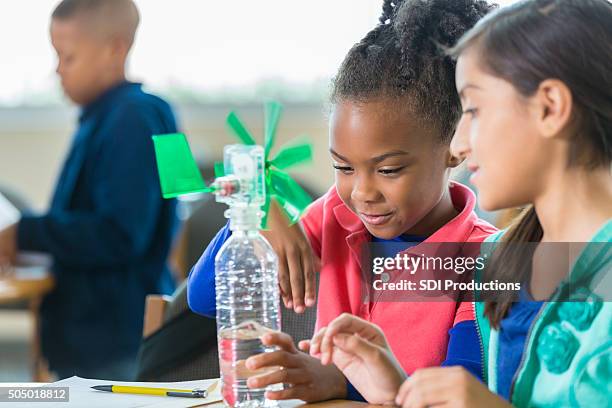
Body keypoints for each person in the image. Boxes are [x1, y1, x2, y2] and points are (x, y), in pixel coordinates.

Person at [187, 0, 497, 403]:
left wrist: (341, 382)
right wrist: (252, 223)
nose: (362, 193)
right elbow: (203, 298)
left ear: (454, 146)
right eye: (343, 167)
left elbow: (463, 388)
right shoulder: (335, 217)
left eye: (388, 170)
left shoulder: (486, 256)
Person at [309, 0, 612, 406]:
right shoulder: (495, 262)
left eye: (473, 109)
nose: (458, 143)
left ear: (550, 107)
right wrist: (399, 393)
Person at [0, 0, 179, 379]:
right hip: (97, 335)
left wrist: (23, 234)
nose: (58, 70)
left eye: (68, 57)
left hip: (112, 343)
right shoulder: (138, 113)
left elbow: (121, 234)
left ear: (116, 47)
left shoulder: (132, 118)